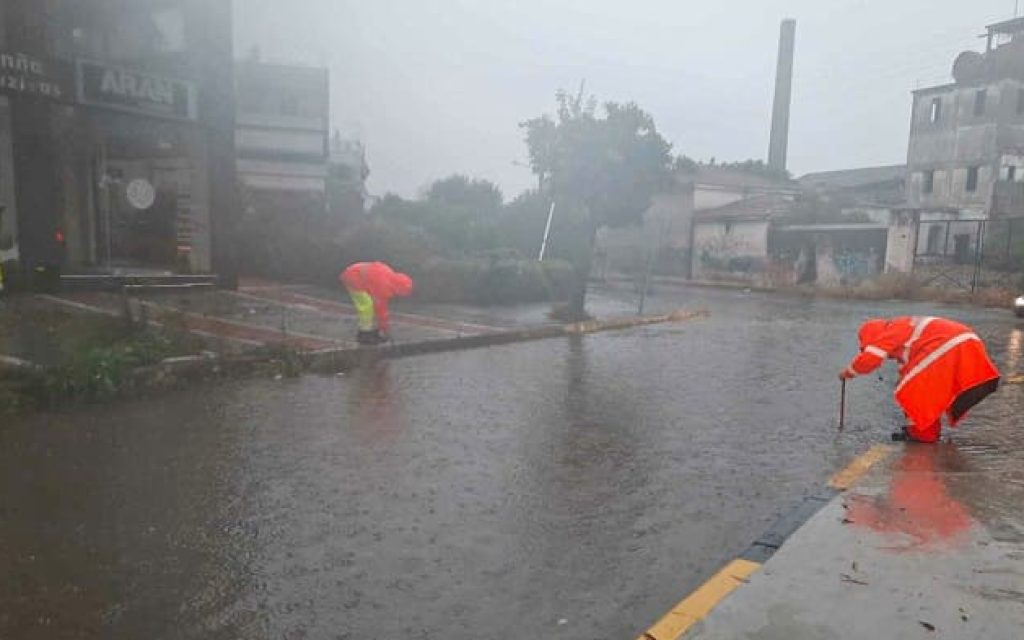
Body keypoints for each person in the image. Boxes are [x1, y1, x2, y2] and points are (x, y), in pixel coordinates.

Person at [839, 316, 1000, 443]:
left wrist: (848, 372)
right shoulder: (906, 329)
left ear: (871, 337)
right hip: (965, 341)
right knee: (921, 387)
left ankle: (923, 434)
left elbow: (870, 359)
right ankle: (921, 430)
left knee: (914, 389)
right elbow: (908, 370)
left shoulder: (889, 332)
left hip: (949, 344)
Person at [339, 261, 414, 344]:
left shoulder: (389, 275)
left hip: (355, 273)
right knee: (366, 307)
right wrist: (385, 328)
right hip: (353, 278)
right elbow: (381, 309)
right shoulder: (383, 286)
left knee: (372, 307)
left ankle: (372, 332)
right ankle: (364, 335)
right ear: (398, 289)